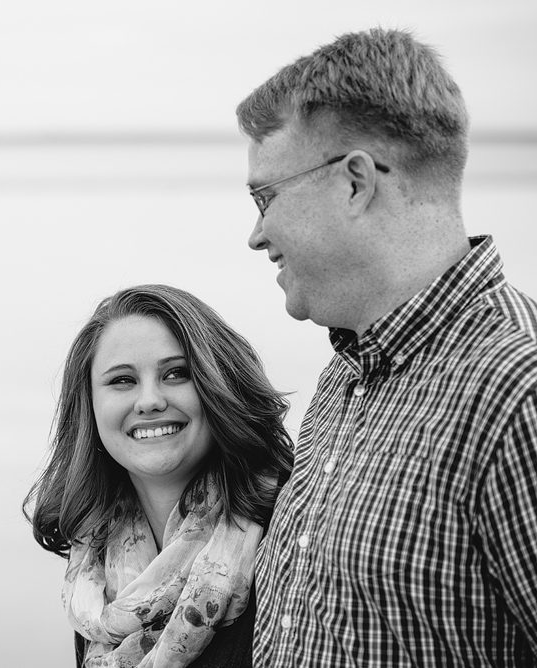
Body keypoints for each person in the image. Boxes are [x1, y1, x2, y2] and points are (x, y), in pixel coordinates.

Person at [237, 28, 537, 666]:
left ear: (354, 182)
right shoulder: (345, 378)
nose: (256, 235)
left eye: (264, 198)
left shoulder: (517, 391)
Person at [24, 284, 293, 667]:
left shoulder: (287, 534)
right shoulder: (95, 565)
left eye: (176, 374)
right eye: (122, 380)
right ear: (89, 405)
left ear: (221, 385)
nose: (150, 400)